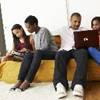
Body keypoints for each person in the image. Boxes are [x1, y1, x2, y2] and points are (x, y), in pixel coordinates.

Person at [10, 15, 58, 91]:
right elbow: (38, 50)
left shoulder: (44, 30)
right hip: (41, 53)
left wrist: (34, 52)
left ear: (35, 25)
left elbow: (44, 47)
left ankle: (27, 81)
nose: (27, 29)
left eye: (28, 27)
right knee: (28, 54)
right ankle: (19, 80)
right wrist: (29, 51)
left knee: (37, 53)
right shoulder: (34, 34)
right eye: (26, 28)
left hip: (53, 53)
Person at [53, 12, 88, 99]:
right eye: (75, 21)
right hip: (65, 49)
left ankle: (78, 84)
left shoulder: (84, 29)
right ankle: (60, 85)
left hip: (78, 50)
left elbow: (94, 33)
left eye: (79, 22)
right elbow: (50, 33)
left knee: (83, 53)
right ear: (70, 20)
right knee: (59, 54)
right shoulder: (62, 29)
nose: (77, 24)